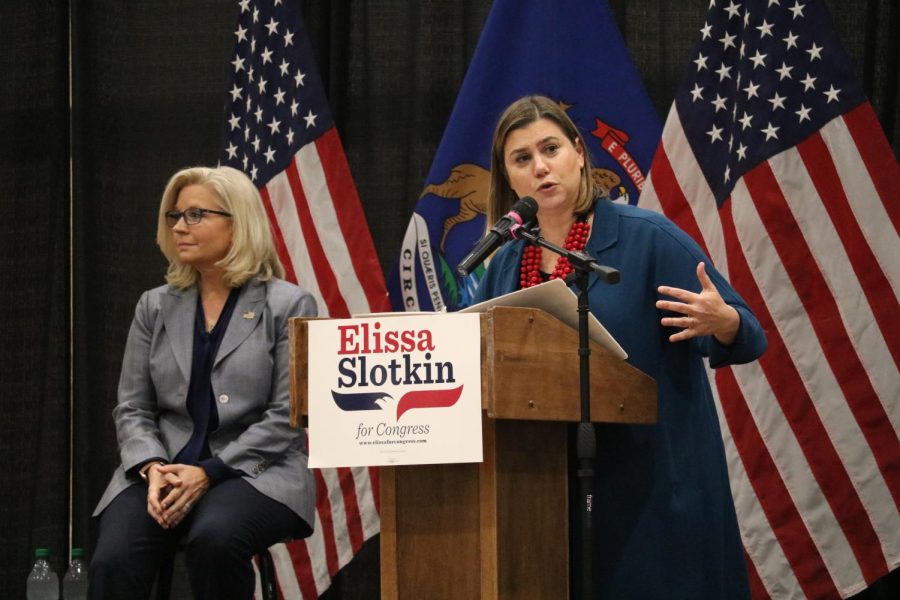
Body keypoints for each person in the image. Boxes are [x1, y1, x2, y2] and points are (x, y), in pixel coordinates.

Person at [472, 95, 768, 598]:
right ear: (509, 177)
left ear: (580, 154)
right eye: (522, 159)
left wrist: (723, 321)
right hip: (546, 489)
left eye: (551, 148)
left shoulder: (645, 239)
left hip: (651, 488)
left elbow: (749, 335)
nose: (541, 167)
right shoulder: (506, 262)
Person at [89, 166, 317, 599]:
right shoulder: (153, 306)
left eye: (195, 215)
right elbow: (132, 408)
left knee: (214, 539)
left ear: (238, 224)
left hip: (254, 472)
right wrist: (151, 467)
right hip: (162, 472)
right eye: (175, 216)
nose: (179, 227)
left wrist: (208, 473)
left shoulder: (288, 304)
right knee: (113, 560)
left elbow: (287, 417)